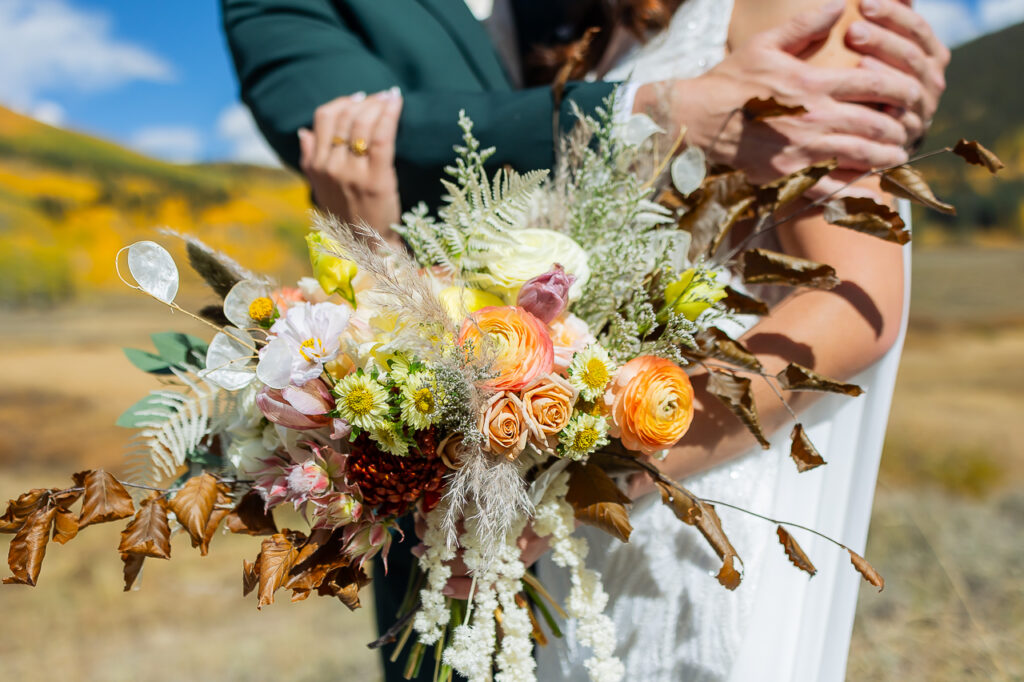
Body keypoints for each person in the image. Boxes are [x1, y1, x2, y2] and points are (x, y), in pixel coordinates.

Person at [221, 1, 946, 679]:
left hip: (695, 495)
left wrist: (610, 471)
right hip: (574, 522)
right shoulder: (589, 42)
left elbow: (856, 302)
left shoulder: (801, 14)